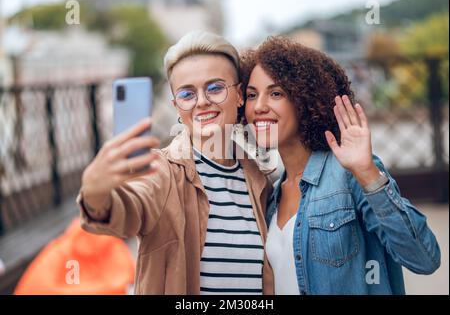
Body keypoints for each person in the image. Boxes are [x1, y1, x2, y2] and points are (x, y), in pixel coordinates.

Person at [77, 31, 274, 295]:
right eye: (187, 94)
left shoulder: (260, 180)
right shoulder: (160, 171)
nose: (202, 102)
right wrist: (95, 193)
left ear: (239, 95)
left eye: (215, 88)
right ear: (176, 106)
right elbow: (127, 209)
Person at [241, 36, 441, 295]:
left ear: (305, 98)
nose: (259, 106)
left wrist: (367, 173)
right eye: (251, 95)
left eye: (276, 93)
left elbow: (424, 258)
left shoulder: (348, 173)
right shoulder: (270, 194)